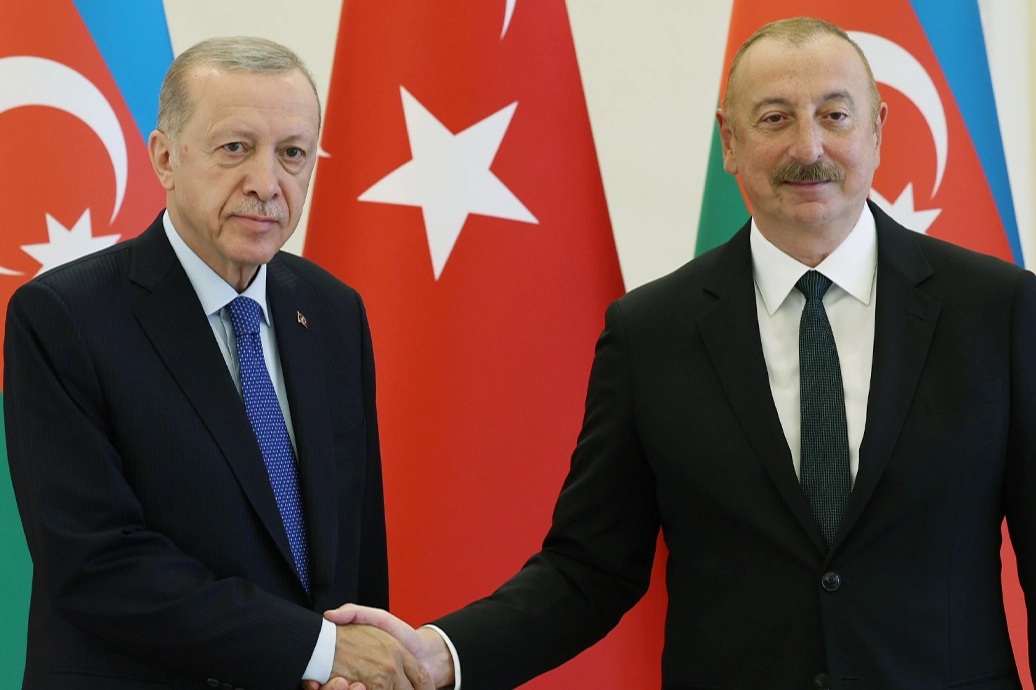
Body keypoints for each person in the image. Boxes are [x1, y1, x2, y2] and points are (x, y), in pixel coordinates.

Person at [321, 16, 1036, 690]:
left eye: (835, 115)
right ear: (730, 141)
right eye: (775, 118)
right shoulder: (651, 332)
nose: (809, 148)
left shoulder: (997, 310)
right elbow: (589, 569)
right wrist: (441, 656)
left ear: (877, 129)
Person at [5, 37, 431, 690]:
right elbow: (97, 564)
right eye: (235, 147)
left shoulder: (332, 310)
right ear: (165, 158)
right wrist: (317, 650)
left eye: (292, 153)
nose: (266, 183)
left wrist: (360, 664)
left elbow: (355, 549)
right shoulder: (63, 316)